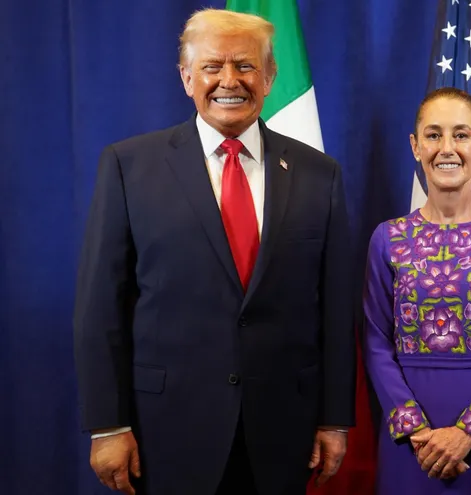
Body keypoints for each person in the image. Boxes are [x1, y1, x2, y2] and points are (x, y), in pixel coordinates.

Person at [73, 9, 355, 495]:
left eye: (245, 66)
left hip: (282, 431)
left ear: (269, 77)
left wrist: (334, 419)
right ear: (186, 77)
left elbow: (334, 307)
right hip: (165, 432)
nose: (230, 80)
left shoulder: (318, 174)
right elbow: (101, 307)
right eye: (212, 66)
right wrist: (108, 425)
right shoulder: (128, 166)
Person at [362, 87, 471, 494]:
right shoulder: (387, 239)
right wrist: (414, 428)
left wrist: (469, 431)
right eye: (433, 134)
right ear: (415, 146)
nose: (447, 148)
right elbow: (375, 343)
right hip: (410, 439)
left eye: (461, 135)